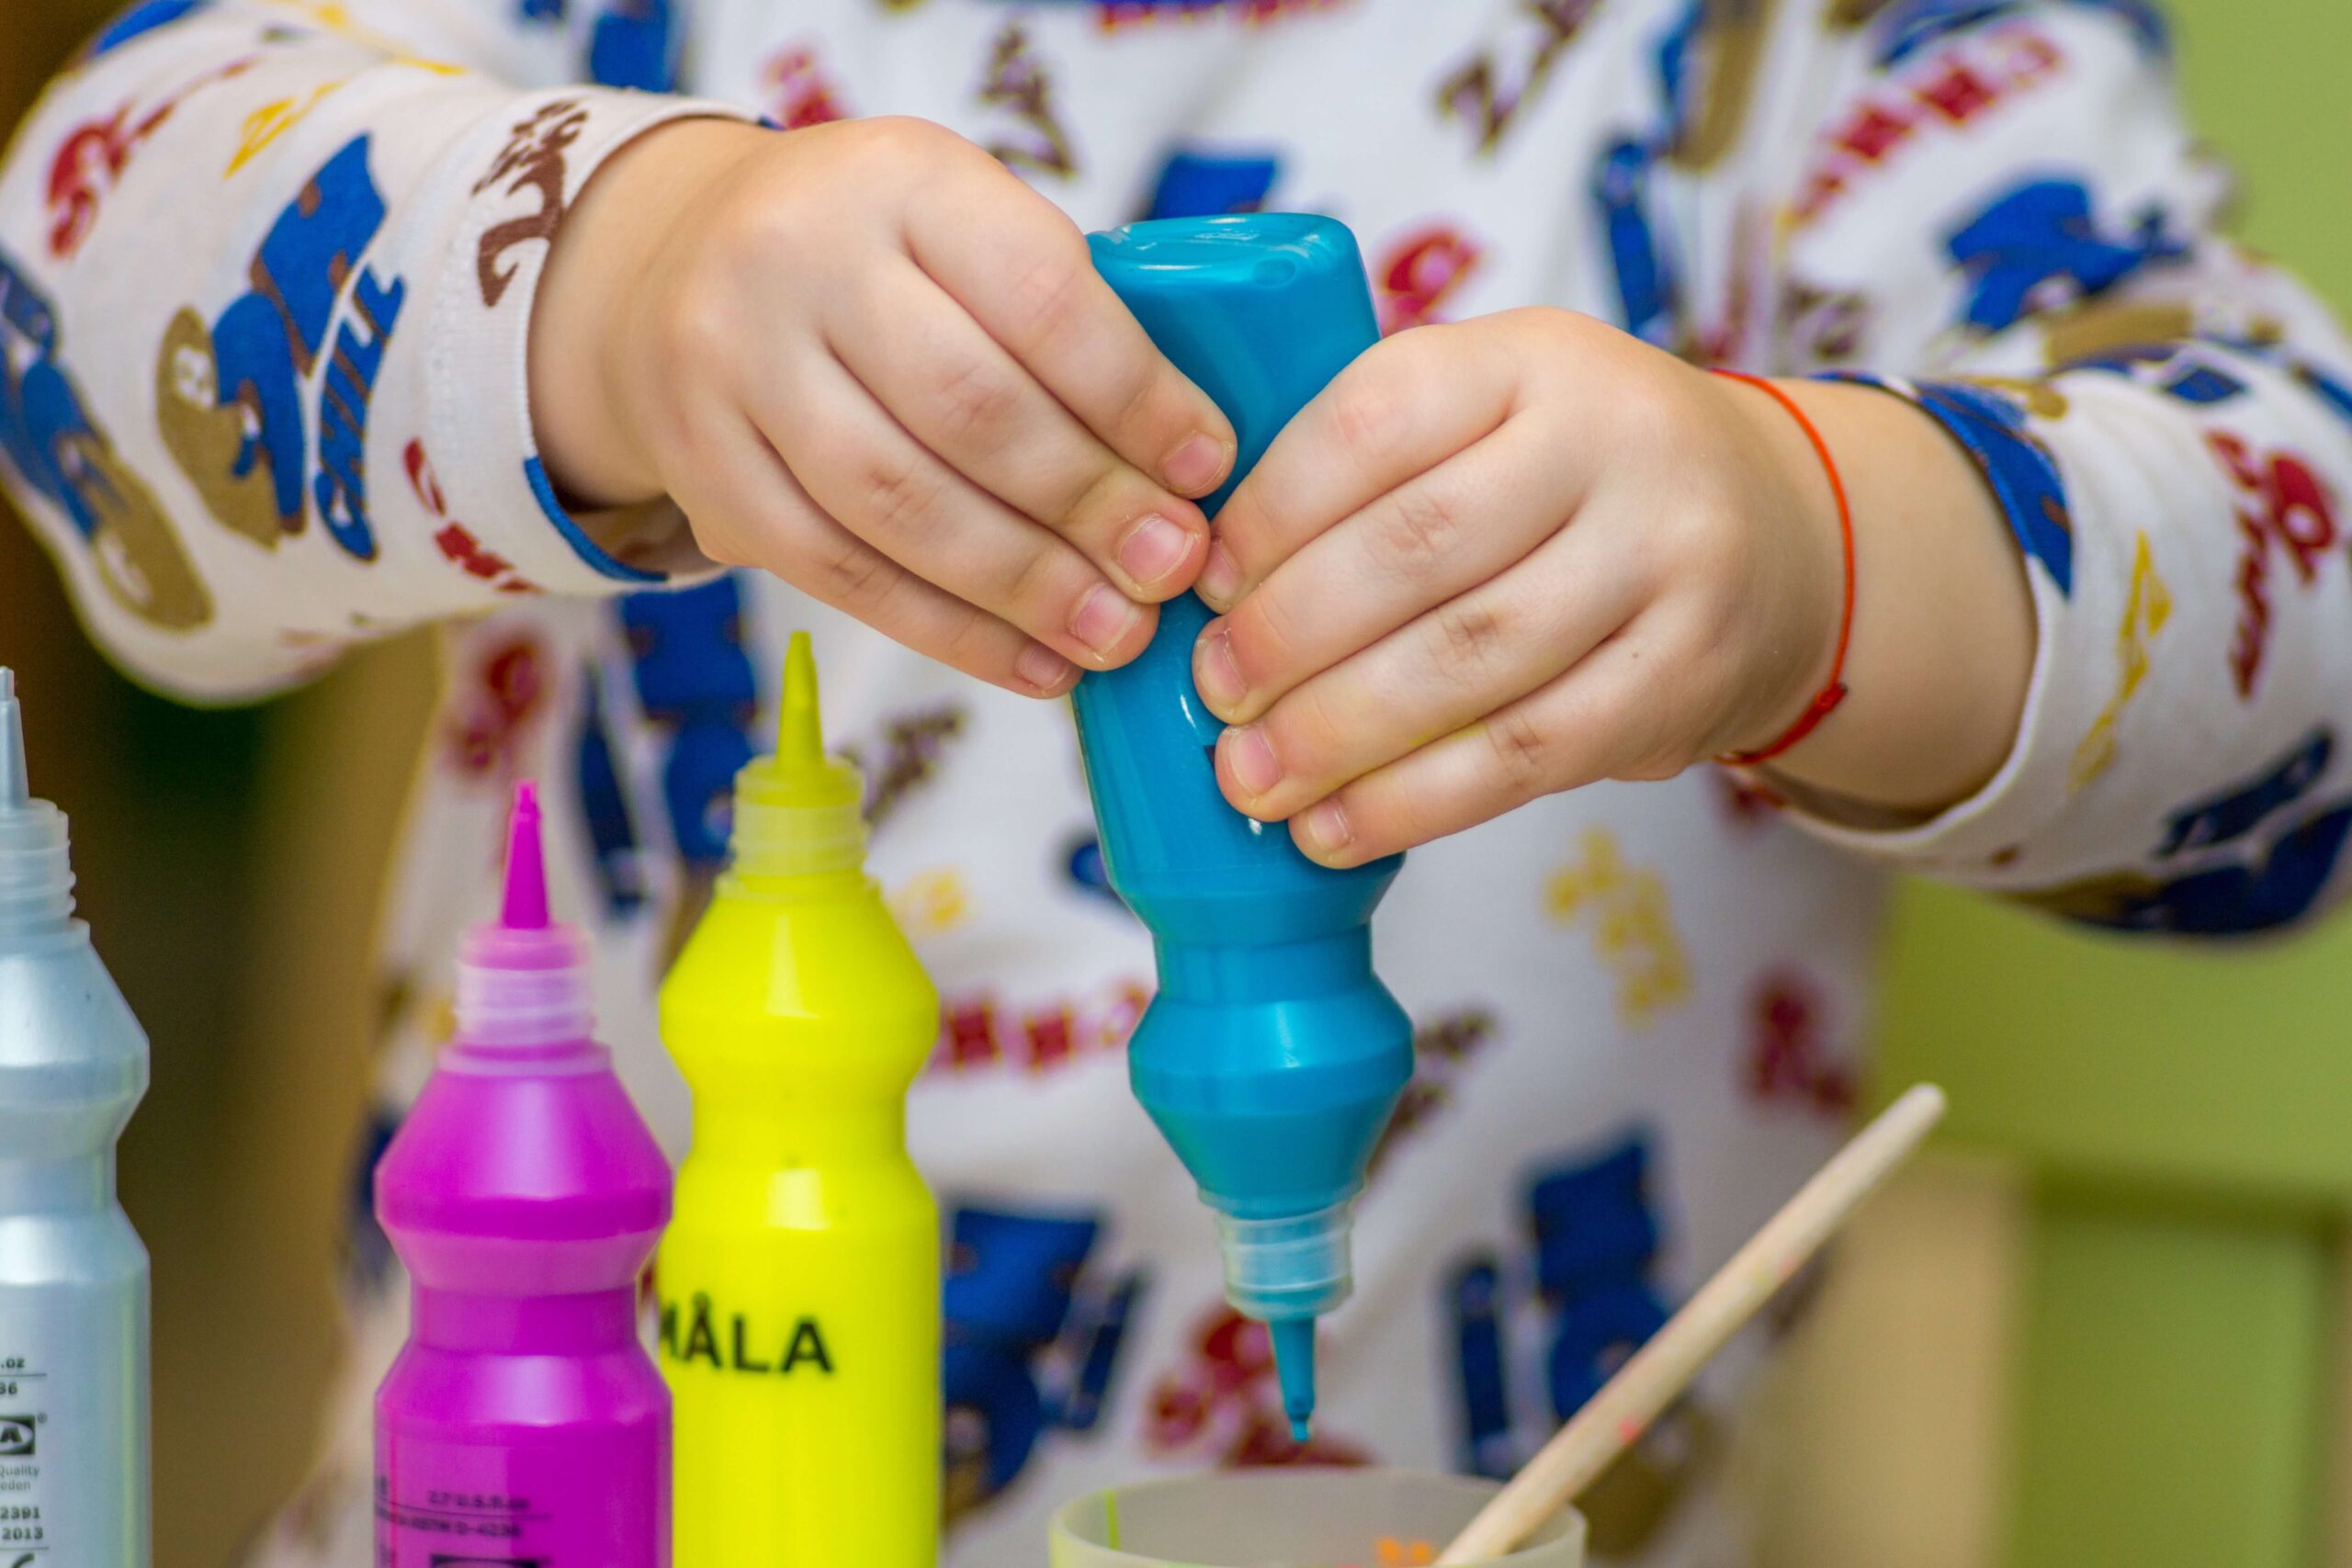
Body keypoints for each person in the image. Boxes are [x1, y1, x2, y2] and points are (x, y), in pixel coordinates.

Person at [6, 0, 2351, 1562]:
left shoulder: (1808, 49)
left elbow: (2296, 628)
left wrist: (1814, 545)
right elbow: (84, 304)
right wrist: (619, 288)